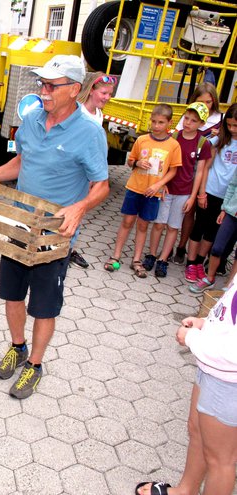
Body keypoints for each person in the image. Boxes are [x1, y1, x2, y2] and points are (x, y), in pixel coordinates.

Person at [0, 55, 110, 399]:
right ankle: (17, 346)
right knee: (11, 293)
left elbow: (102, 186)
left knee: (45, 305)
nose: (44, 91)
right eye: (42, 84)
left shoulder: (90, 133)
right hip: (21, 225)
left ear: (75, 90)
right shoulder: (33, 119)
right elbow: (22, 161)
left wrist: (80, 206)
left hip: (55, 234)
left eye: (52, 85)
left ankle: (34, 365)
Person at [135, 280, 237, 495]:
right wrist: (204, 323)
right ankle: (186, 490)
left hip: (229, 382)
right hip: (212, 366)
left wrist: (192, 338)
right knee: (197, 430)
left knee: (220, 460)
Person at [105, 104, 182, 278]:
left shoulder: (173, 145)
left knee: (143, 225)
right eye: (153, 121)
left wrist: (158, 185)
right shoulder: (142, 140)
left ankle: (137, 259)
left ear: (169, 123)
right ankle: (115, 255)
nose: (156, 126)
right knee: (127, 222)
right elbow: (131, 161)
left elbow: (173, 170)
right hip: (135, 187)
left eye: (161, 122)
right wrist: (137, 163)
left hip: (153, 193)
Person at [143, 102, 212, 278]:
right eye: (186, 118)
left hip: (184, 192)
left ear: (201, 124)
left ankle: (163, 259)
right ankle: (151, 254)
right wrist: (163, 183)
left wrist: (193, 196)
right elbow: (165, 161)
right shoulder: (173, 136)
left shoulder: (202, 143)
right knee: (159, 223)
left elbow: (200, 172)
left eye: (193, 121)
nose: (188, 123)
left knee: (173, 227)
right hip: (167, 188)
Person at [68, 71, 117, 269]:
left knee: (79, 210)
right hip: (74, 172)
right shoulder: (78, 112)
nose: (106, 97)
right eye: (103, 93)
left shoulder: (99, 115)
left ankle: (68, 249)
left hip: (88, 175)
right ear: (91, 91)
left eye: (109, 94)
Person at [185, 104, 237, 285]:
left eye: (235, 126)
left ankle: (200, 262)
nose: (232, 129)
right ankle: (191, 262)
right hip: (210, 190)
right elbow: (205, 166)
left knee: (212, 232)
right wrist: (201, 192)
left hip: (228, 198)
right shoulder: (219, 140)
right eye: (229, 125)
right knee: (199, 226)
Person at [173, 83, 224, 264]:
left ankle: (187, 248)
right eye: (200, 101)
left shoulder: (221, 119)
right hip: (186, 166)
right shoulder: (187, 118)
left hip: (207, 170)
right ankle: (180, 246)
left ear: (214, 102)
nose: (205, 106)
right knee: (187, 211)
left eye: (209, 102)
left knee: (198, 213)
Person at [190, 168, 236, 292]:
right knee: (217, 248)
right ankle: (209, 279)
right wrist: (224, 209)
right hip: (232, 213)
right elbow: (232, 186)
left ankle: (230, 287)